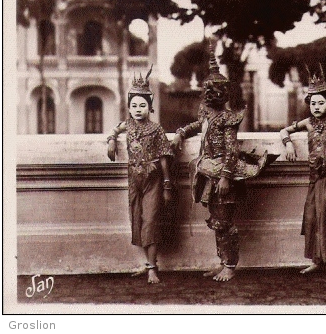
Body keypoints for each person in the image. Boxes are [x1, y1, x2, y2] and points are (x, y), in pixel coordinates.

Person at [171, 42, 272, 282]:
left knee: (225, 221)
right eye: (208, 90)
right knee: (217, 220)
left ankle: (230, 264)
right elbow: (199, 126)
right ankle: (222, 261)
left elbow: (231, 150)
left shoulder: (228, 119)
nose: (210, 95)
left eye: (216, 90)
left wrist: (226, 177)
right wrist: (181, 132)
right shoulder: (206, 112)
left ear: (224, 93)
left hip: (223, 173)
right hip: (208, 170)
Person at [279, 67, 326, 274]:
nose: (317, 107)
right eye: (313, 103)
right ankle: (316, 259)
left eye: (321, 102)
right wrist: (288, 144)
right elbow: (284, 130)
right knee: (314, 216)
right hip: (316, 176)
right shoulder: (309, 124)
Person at [106, 65, 173, 284]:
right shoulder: (129, 126)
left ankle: (153, 268)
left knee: (151, 221)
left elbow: (164, 156)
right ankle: (148, 265)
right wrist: (111, 141)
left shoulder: (157, 129)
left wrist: (166, 185)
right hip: (134, 180)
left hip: (153, 180)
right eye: (134, 105)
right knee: (138, 220)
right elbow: (116, 129)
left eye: (142, 105)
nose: (137, 109)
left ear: (149, 107)